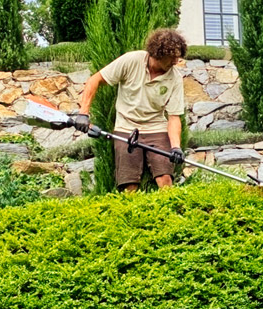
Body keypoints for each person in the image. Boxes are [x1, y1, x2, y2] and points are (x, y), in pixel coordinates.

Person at [76, 28, 187, 191]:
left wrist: (176, 147)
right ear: (158, 54)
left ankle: (168, 211)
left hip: (156, 127)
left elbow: (174, 117)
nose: (175, 62)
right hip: (126, 127)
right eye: (172, 58)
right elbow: (95, 80)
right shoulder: (131, 61)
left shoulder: (175, 77)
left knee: (165, 179)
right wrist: (83, 114)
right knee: (129, 184)